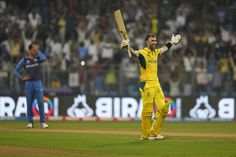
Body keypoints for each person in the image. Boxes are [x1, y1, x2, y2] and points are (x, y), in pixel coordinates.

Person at [121, 34, 181, 140]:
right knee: (147, 111)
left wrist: (172, 43)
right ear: (146, 42)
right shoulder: (142, 53)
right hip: (146, 84)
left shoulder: (156, 52)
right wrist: (127, 47)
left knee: (164, 108)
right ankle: (145, 135)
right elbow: (134, 52)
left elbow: (164, 48)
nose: (154, 42)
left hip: (156, 83)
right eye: (152, 40)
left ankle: (154, 133)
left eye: (155, 40)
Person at [14, 42, 48, 128]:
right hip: (28, 83)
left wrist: (38, 50)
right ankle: (30, 122)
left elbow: (44, 58)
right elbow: (16, 70)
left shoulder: (38, 58)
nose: (35, 51)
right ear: (29, 50)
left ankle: (42, 122)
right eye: (34, 50)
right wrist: (22, 78)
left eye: (36, 49)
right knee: (29, 103)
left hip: (38, 82)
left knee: (40, 102)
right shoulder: (24, 60)